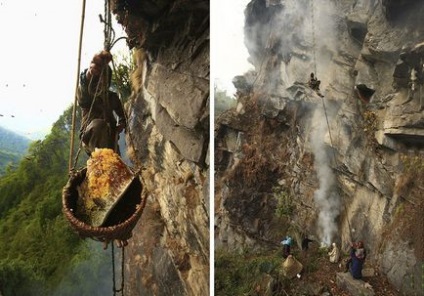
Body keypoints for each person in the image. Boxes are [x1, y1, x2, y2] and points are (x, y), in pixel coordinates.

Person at [78, 50, 126, 156]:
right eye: (98, 79)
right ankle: (100, 160)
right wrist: (90, 73)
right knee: (99, 125)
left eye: (104, 79)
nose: (101, 83)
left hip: (110, 142)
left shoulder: (112, 98)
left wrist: (121, 125)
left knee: (116, 166)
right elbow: (84, 89)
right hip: (90, 137)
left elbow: (123, 115)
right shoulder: (89, 95)